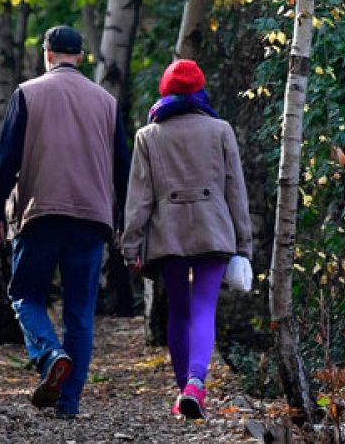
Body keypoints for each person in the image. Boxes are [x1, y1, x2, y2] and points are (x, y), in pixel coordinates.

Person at [0, 25, 130, 417]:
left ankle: (50, 355)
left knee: (26, 295)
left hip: (40, 213)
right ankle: (69, 403)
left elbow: (6, 161)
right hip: (92, 219)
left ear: (47, 53)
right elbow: (123, 169)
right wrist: (124, 222)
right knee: (80, 314)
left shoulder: (27, 94)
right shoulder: (106, 102)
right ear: (81, 57)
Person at [121, 59, 252, 420]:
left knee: (178, 311)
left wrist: (130, 243)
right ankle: (196, 383)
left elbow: (140, 198)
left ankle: (185, 392)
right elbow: (235, 190)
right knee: (204, 307)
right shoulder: (221, 129)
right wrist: (244, 244)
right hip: (214, 228)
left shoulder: (148, 135)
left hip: (169, 233)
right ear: (199, 90)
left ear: (165, 91)